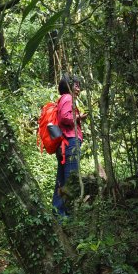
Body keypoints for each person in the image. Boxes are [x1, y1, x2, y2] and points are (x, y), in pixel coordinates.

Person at [52, 74, 87, 217]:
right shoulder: (68, 98)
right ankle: (66, 215)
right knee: (70, 179)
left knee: (62, 178)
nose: (78, 88)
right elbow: (65, 118)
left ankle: (58, 212)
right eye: (76, 85)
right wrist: (80, 117)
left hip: (65, 143)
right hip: (70, 142)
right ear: (68, 86)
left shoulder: (63, 99)